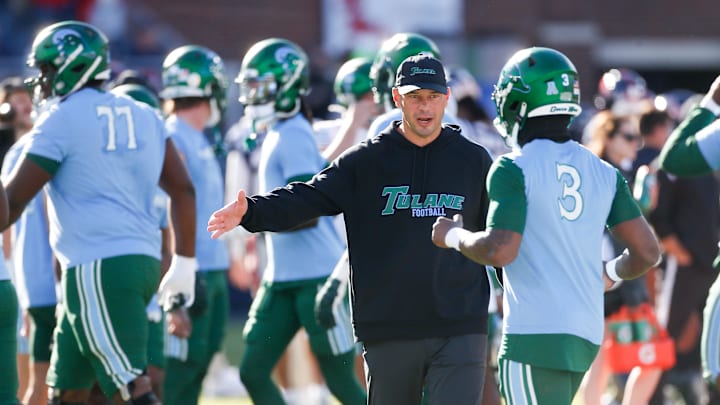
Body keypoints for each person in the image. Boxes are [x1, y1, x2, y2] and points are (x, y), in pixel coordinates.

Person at [209, 53, 494, 405]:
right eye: (415, 97)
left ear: (446, 98)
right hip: (390, 327)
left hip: (460, 324)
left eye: (433, 97)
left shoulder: (474, 160)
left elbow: (496, 233)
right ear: (396, 99)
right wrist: (251, 211)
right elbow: (308, 197)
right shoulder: (366, 161)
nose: (425, 107)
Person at [429, 46, 661, 405]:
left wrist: (453, 235)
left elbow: (500, 249)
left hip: (534, 335)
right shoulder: (603, 171)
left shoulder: (512, 167)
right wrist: (610, 272)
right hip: (585, 332)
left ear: (519, 101)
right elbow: (647, 251)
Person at [1, 20, 198, 405]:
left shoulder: (60, 119)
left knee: (132, 389)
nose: (40, 80)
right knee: (69, 393)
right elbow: (183, 188)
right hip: (137, 264)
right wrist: (186, 264)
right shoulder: (143, 113)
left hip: (96, 266)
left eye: (46, 70)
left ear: (71, 66)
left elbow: (11, 207)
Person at [225, 37, 366, 405]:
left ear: (287, 87)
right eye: (250, 87)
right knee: (253, 370)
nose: (252, 97)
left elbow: (307, 208)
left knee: (340, 379)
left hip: (316, 278)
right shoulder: (279, 132)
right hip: (282, 278)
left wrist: (252, 215)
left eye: (260, 87)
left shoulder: (292, 134)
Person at [158, 44, 231, 405]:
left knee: (201, 360)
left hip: (212, 264)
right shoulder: (171, 135)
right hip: (189, 267)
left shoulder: (198, 136)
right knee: (180, 366)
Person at [580, 110, 663, 405]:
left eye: (637, 138)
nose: (635, 144)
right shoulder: (600, 174)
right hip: (610, 277)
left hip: (618, 278)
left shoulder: (612, 173)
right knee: (647, 357)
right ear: (609, 138)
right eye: (628, 137)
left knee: (610, 361)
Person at [655, 75, 720, 403]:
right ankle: (657, 392)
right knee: (672, 330)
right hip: (692, 258)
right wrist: (673, 246)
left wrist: (711, 104)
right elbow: (661, 211)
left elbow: (676, 156)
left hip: (707, 258)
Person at [0, 76, 56, 405]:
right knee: (27, 384)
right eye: (13, 100)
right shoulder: (16, 155)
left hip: (43, 281)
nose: (22, 106)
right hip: (28, 280)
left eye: (26, 98)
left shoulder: (38, 145)